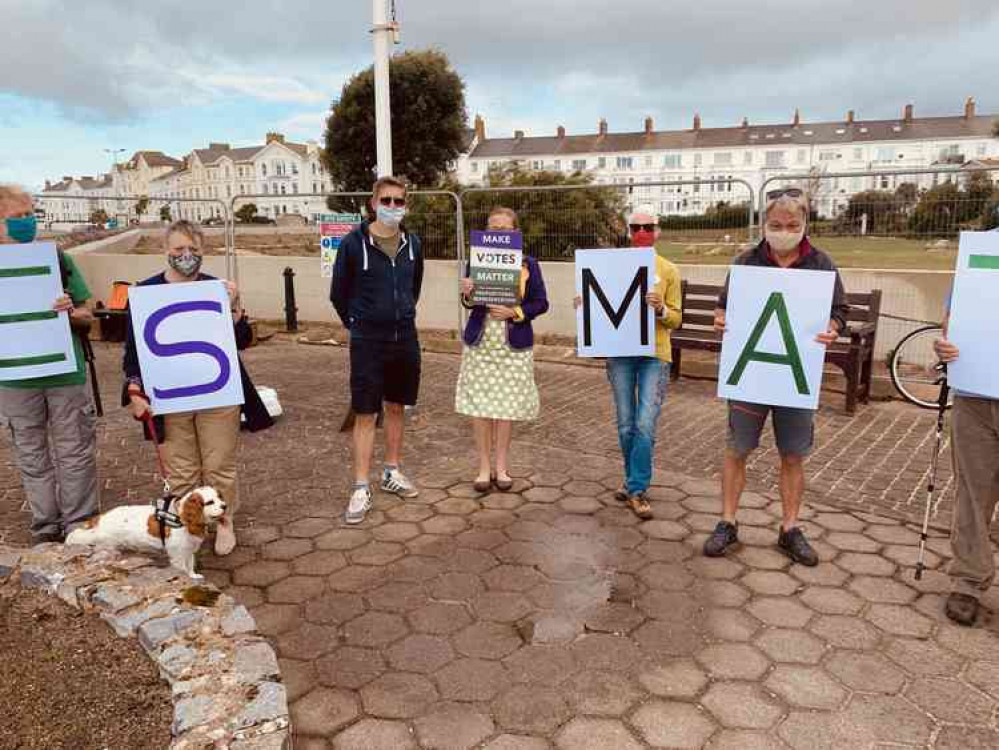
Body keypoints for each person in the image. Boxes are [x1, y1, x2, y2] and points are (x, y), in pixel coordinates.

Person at [704, 189, 847, 566]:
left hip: (793, 375)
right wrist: (720, 320)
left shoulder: (821, 264)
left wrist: (832, 327)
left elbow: (840, 310)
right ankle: (727, 521)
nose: (784, 231)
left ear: (805, 225)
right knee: (737, 449)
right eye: (776, 225)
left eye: (792, 225)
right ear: (765, 224)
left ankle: (789, 528)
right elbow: (723, 306)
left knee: (794, 454)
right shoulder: (746, 261)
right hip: (751, 375)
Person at [123, 220, 272, 556]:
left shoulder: (216, 289)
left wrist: (234, 310)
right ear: (166, 251)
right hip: (169, 398)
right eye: (179, 250)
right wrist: (134, 389)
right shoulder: (145, 293)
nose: (186, 256)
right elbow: (133, 349)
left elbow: (242, 341)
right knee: (182, 469)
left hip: (217, 395)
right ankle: (190, 525)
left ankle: (222, 522)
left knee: (219, 464)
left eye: (194, 250)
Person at [0, 184, 99, 544]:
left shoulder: (56, 258)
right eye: (16, 216)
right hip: (14, 380)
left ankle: (80, 525)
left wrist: (72, 311)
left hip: (64, 371)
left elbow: (89, 315)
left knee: (74, 449)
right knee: (31, 454)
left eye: (30, 214)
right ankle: (46, 527)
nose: (27, 222)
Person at [577, 204, 682, 519]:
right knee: (625, 425)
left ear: (658, 231)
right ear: (628, 231)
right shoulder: (611, 265)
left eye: (648, 227)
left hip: (655, 355)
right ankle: (631, 479)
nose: (642, 233)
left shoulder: (668, 270)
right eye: (636, 228)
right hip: (621, 353)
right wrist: (586, 305)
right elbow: (602, 303)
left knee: (644, 423)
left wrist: (661, 309)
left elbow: (676, 319)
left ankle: (637, 488)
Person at [331, 176, 424, 524]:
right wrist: (360, 324)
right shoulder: (353, 245)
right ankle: (359, 487)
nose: (392, 207)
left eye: (399, 201)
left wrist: (400, 315)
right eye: (386, 200)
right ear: (373, 203)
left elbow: (413, 288)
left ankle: (392, 472)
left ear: (406, 206)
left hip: (406, 339)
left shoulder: (413, 243)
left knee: (397, 407)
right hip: (367, 341)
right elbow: (338, 294)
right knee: (366, 412)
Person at [456, 207, 549, 492]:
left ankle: (501, 467)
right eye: (493, 229)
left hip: (514, 344)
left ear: (514, 233)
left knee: (506, 408)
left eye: (504, 230)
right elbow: (469, 304)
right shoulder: (476, 261)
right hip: (481, 344)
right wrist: (467, 292)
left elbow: (541, 303)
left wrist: (515, 312)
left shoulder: (528, 264)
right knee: (480, 408)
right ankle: (484, 468)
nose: (498, 234)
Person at [934, 314, 998, 626]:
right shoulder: (976, 268)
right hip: (976, 399)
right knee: (973, 493)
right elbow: (951, 324)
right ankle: (968, 580)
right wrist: (944, 346)